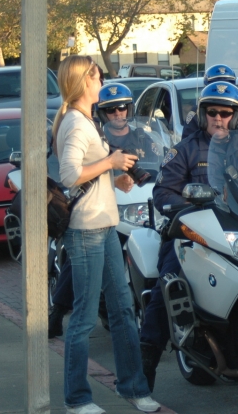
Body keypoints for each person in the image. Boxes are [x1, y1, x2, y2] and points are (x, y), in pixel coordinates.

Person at [140, 81, 238, 391]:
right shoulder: (186, 150)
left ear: (237, 116)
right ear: (203, 115)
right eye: (213, 112)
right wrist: (192, 204)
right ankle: (145, 366)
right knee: (169, 283)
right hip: (193, 235)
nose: (219, 119)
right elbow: (163, 193)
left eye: (226, 113)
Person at [52, 55, 159, 414]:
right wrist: (111, 163)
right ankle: (77, 398)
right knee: (83, 317)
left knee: (124, 310)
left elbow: (87, 171)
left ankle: (133, 387)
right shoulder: (77, 124)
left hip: (104, 225)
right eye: (97, 77)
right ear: (84, 82)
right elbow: (69, 174)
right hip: (86, 231)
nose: (102, 83)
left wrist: (115, 177)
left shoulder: (84, 120)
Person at [48, 83, 161, 339]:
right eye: (111, 110)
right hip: (104, 210)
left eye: (122, 108)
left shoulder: (145, 137)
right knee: (80, 265)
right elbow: (71, 172)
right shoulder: (97, 135)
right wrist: (112, 167)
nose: (118, 114)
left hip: (139, 202)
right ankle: (58, 310)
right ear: (103, 113)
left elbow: (162, 165)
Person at [180, 64, 238, 140]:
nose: (221, 89)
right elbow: (187, 145)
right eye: (211, 112)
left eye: (226, 113)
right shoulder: (196, 113)